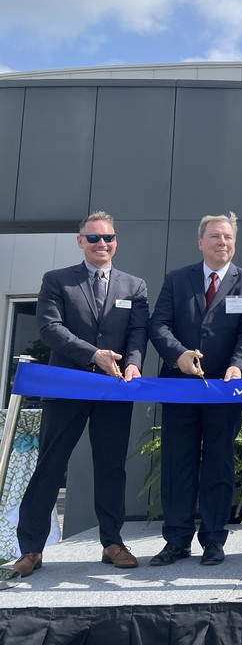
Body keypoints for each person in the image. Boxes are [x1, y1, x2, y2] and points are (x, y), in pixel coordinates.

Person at [11, 212, 148, 577]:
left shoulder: (134, 286)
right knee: (50, 465)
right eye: (94, 238)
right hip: (67, 387)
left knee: (111, 466)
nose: (102, 243)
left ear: (116, 241)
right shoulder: (57, 280)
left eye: (108, 237)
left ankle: (113, 542)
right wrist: (93, 354)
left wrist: (134, 364)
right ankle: (31, 550)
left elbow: (138, 333)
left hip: (114, 390)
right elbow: (49, 328)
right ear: (80, 241)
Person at [148, 212, 242, 567]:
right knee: (177, 464)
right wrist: (179, 355)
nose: (222, 242)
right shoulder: (177, 279)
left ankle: (214, 539)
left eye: (228, 237)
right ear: (201, 242)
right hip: (180, 388)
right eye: (215, 236)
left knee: (219, 463)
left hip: (224, 391)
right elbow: (159, 325)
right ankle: (176, 540)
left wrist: (238, 365)